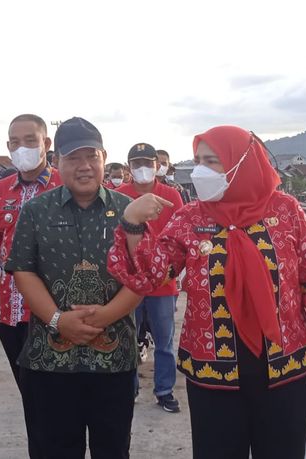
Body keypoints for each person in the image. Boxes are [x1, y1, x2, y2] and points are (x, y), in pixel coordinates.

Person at [108, 126, 306, 459]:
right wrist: (131, 223)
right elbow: (151, 274)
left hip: (285, 373)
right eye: (198, 160)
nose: (201, 169)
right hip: (213, 375)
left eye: (212, 161)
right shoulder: (190, 217)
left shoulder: (286, 211)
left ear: (241, 162)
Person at [5, 117, 141, 458]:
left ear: (104, 158)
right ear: (56, 162)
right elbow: (23, 270)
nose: (84, 167)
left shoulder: (129, 212)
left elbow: (142, 276)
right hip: (49, 361)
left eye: (91, 156)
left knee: (113, 449)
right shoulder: (36, 211)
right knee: (53, 449)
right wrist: (57, 320)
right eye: (72, 158)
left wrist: (105, 316)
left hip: (114, 359)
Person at [0, 113, 62, 457]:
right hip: (13, 321)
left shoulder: (65, 184)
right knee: (32, 403)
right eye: (14, 142)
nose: (22, 148)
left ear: (46, 143)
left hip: (56, 317)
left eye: (30, 140)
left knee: (61, 405)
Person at [116, 143, 184, 412]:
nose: (142, 168)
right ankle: (128, 388)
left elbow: (180, 238)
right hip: (128, 284)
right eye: (136, 163)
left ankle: (164, 390)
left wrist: (170, 271)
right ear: (129, 166)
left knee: (164, 342)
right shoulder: (119, 195)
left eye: (147, 162)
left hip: (162, 284)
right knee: (127, 339)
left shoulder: (171, 196)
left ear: (158, 165)